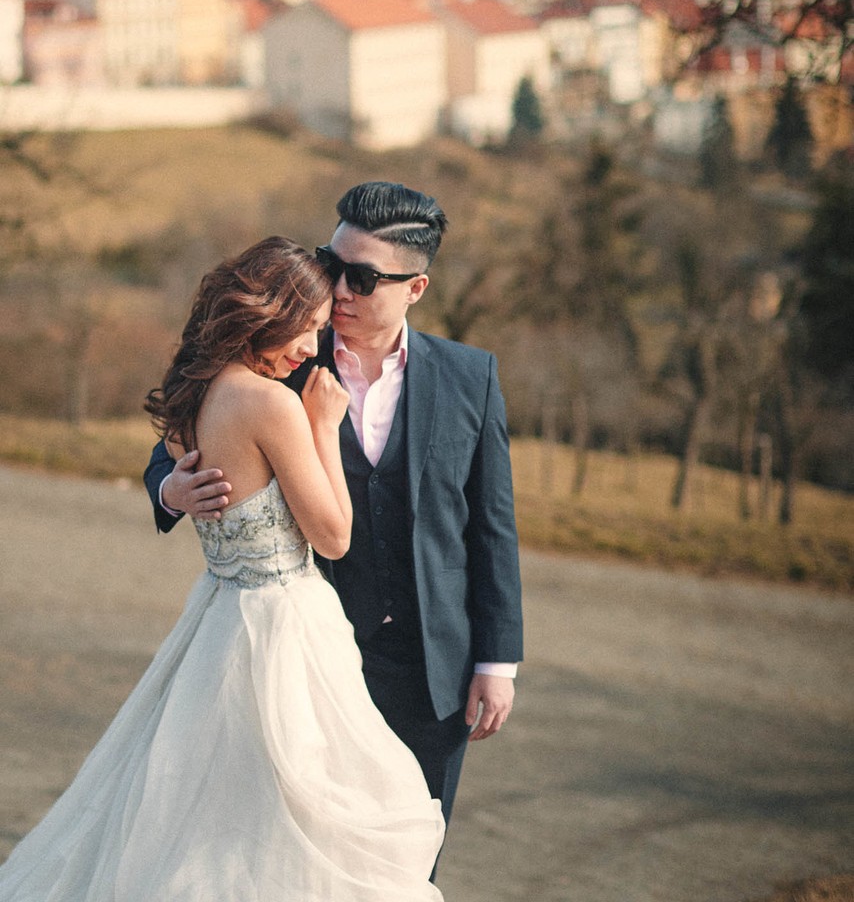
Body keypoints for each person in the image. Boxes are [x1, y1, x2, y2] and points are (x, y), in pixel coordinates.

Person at [0, 237, 444, 901]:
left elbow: (182, 465)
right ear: (271, 311)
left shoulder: (192, 395)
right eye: (309, 329)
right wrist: (325, 425)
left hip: (217, 617)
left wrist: (167, 489)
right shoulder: (273, 405)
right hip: (280, 630)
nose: (309, 349)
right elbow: (332, 536)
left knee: (207, 807)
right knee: (273, 820)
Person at [145, 182, 524, 833]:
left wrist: (497, 661)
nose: (339, 288)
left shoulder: (471, 377)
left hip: (432, 673)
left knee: (403, 857)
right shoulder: (280, 359)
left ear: (416, 287)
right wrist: (167, 488)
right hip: (305, 668)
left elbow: (491, 528)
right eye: (332, 263)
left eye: (363, 276)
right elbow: (180, 430)